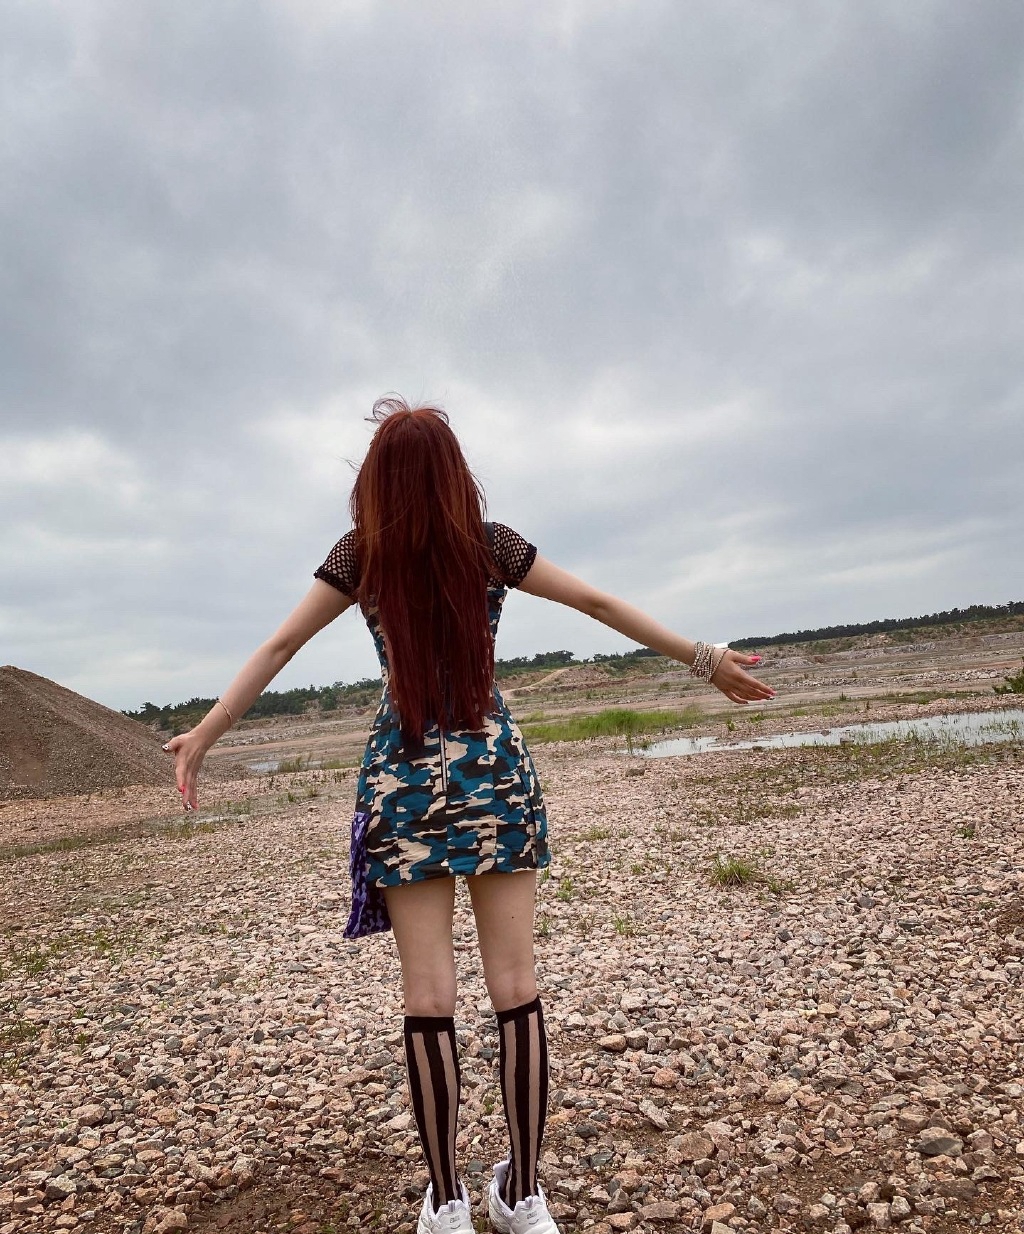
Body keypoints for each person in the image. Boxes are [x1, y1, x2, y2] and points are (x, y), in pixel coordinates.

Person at [165, 397, 775, 1234]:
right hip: (495, 775)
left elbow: (278, 649)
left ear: (376, 482)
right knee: (517, 991)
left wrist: (203, 735)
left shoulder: (361, 555)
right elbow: (595, 605)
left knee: (428, 998)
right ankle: (522, 1192)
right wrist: (703, 661)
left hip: (403, 782)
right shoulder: (489, 545)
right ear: (456, 472)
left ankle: (448, 1201)